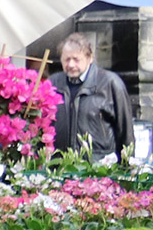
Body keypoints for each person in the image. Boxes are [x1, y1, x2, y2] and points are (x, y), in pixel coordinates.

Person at [50, 31, 133, 159]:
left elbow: (125, 132)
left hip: (98, 167)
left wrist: (127, 167)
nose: (71, 65)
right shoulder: (53, 83)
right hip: (60, 166)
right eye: (67, 59)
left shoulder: (110, 84)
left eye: (76, 59)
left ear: (90, 58)